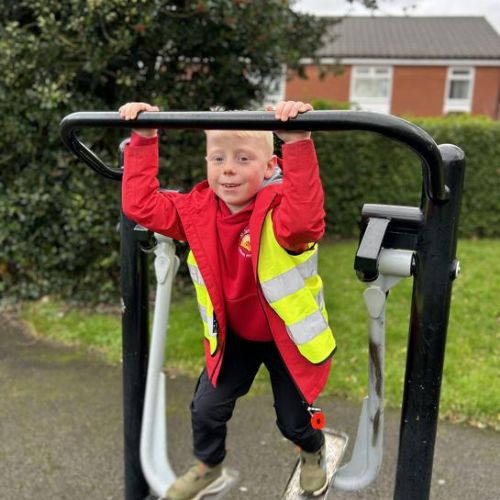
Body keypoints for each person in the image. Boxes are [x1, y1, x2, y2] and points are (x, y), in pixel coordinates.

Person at [119, 100, 336, 499]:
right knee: (205, 408)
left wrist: (298, 143)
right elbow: (140, 205)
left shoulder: (280, 211)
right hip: (236, 338)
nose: (228, 169)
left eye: (242, 158)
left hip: (287, 339)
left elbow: (306, 223)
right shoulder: (196, 211)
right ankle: (209, 465)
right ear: (206, 162)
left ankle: (313, 448)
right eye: (218, 158)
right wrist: (144, 137)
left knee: (293, 421)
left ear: (269, 167)